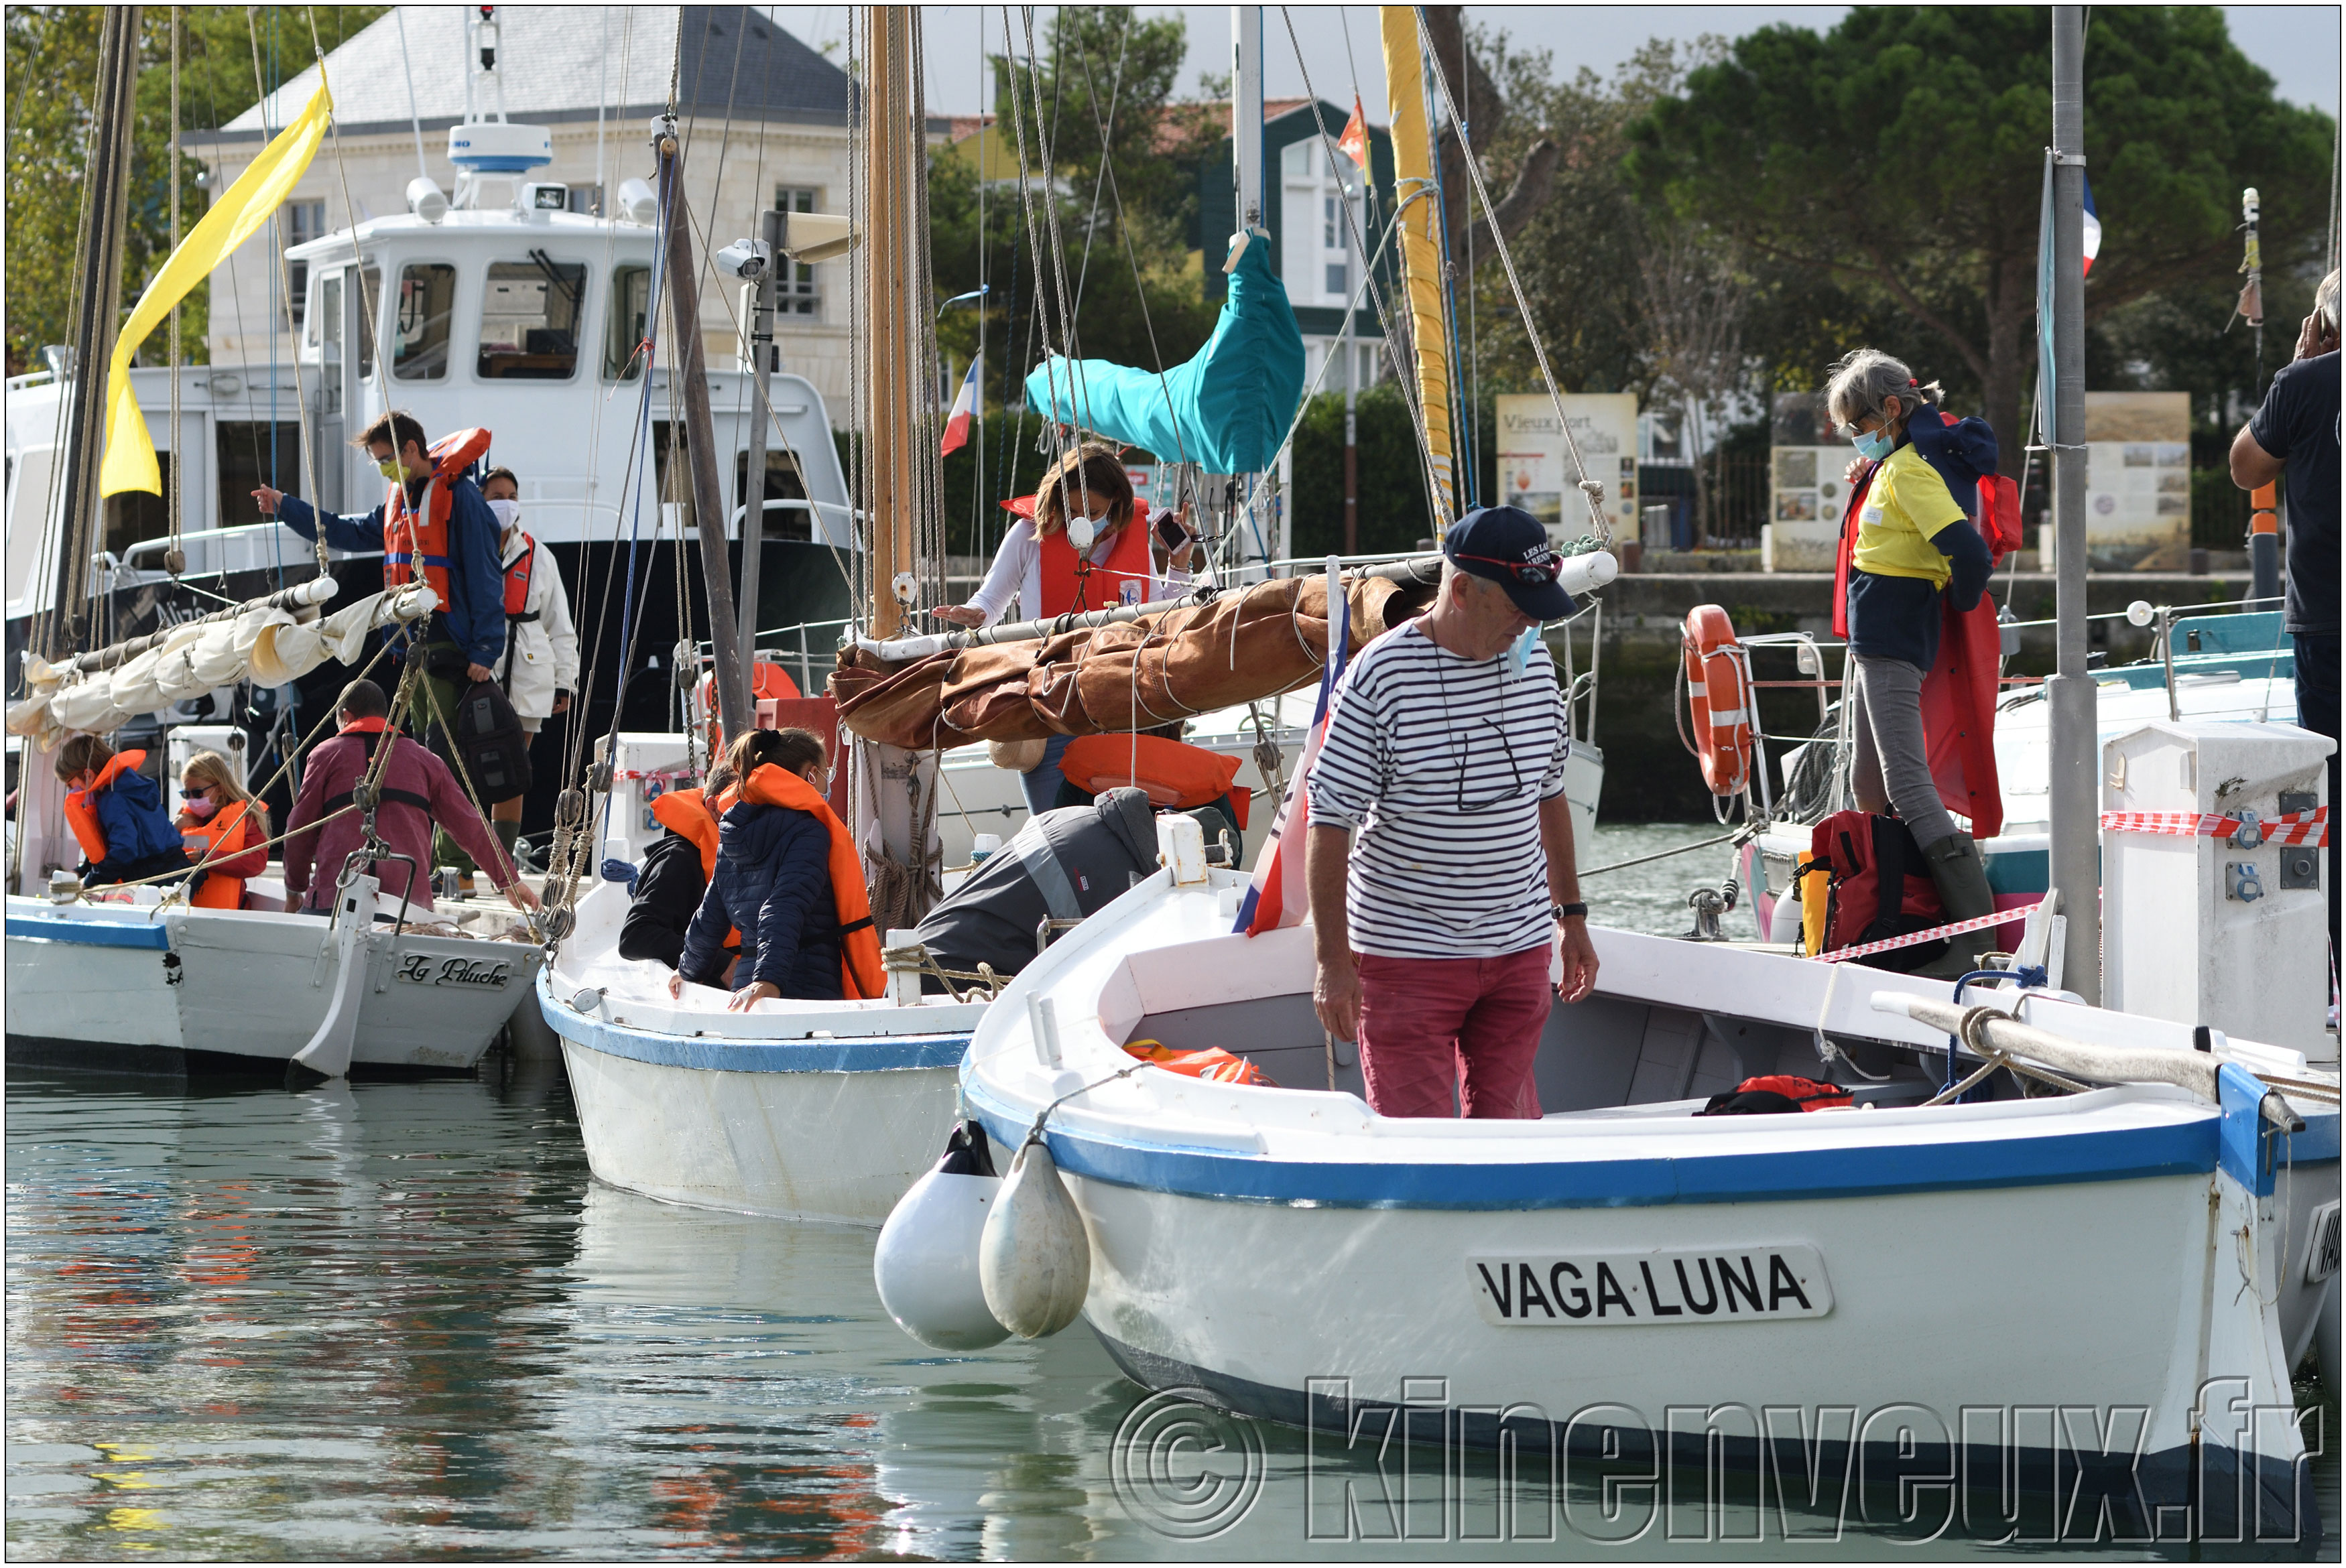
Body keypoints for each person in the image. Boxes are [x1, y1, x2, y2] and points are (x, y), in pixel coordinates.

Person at [1306, 506, 1599, 1120]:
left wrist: (1571, 919)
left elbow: (1550, 797)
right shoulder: (1378, 677)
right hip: (1405, 959)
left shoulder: (1537, 667)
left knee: (1510, 1145)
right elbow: (1329, 820)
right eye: (1517, 605)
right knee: (1421, 1154)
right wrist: (1333, 962)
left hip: (1519, 952)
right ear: (1461, 590)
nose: (1528, 623)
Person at [1825, 348, 1997, 974]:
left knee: (1904, 781)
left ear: (1892, 410)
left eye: (1857, 426)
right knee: (1866, 783)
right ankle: (1892, 912)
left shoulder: (1907, 472)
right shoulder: (1893, 466)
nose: (1854, 439)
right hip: (1877, 641)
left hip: (1896, 639)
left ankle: (1975, 943)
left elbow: (1968, 554)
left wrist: (1964, 602)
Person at [930, 445, 1208, 813]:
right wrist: (973, 615)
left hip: (1123, 712)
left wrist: (1179, 564)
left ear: (1115, 503)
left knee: (1130, 838)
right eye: (1071, 510)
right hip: (1051, 714)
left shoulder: (1134, 538)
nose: (1081, 521)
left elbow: (1162, 619)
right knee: (1057, 833)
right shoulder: (1029, 535)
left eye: (1091, 512)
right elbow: (990, 602)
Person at [251, 409, 506, 753]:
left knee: (440, 743)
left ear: (412, 449)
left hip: (449, 641)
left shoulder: (460, 497)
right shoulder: (396, 504)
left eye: (387, 459)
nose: (385, 468)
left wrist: (487, 649)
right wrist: (285, 506)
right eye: (378, 462)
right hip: (408, 643)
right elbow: (347, 532)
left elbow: (485, 574)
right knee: (421, 742)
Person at [2231, 269, 2340, 962]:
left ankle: (2334, 961)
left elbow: (2246, 469)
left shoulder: (2303, 384)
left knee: (2332, 789)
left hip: (2329, 620)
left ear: (2323, 321)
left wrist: (2298, 367)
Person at [428, 465, 578, 889]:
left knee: (512, 772)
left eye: (511, 495)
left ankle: (501, 868)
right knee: (460, 770)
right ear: (479, 498)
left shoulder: (539, 555)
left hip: (529, 670)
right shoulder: (463, 547)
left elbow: (560, 625)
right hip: (476, 668)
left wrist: (565, 681)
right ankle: (459, 868)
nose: (504, 503)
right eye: (495, 494)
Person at [281, 678, 540, 917]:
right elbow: (469, 824)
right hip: (409, 907)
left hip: (334, 900)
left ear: (345, 717)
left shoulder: (325, 755)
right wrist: (510, 881)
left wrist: (295, 890)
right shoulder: (426, 760)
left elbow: (299, 829)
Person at [668, 728, 883, 1009]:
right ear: (810, 774)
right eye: (826, 773)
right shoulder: (808, 832)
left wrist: (686, 969)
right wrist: (769, 979)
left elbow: (709, 918)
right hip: (802, 988)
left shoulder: (732, 836)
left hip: (747, 986)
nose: (827, 783)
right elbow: (784, 905)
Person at [618, 763, 734, 969]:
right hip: (704, 990)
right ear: (714, 807)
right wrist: (722, 965)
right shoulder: (679, 859)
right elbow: (635, 937)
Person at [55, 734, 190, 891]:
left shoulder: (112, 800)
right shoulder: (132, 787)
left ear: (88, 776)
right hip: (176, 872)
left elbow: (124, 850)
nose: (71, 792)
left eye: (70, 784)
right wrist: (83, 872)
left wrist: (91, 881)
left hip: (156, 880)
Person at [176, 750, 269, 910]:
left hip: (230, 912)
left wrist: (207, 858)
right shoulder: (185, 820)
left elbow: (256, 862)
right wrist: (173, 830)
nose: (191, 800)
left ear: (219, 788)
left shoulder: (245, 817)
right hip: (188, 909)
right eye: (186, 794)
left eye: (198, 793)